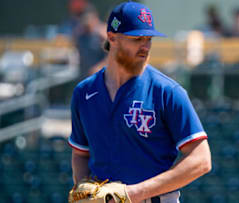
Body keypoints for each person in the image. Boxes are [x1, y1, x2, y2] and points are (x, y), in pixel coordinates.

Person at [67, 2, 212, 203]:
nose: (145, 46)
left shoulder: (167, 91)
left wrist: (131, 194)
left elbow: (201, 160)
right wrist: (83, 187)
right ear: (112, 38)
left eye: (149, 39)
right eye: (137, 39)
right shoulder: (84, 93)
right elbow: (80, 153)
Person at [73, 5, 108, 80]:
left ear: (95, 18)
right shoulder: (80, 36)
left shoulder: (102, 35)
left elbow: (112, 56)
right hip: (85, 77)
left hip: (101, 77)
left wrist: (99, 67)